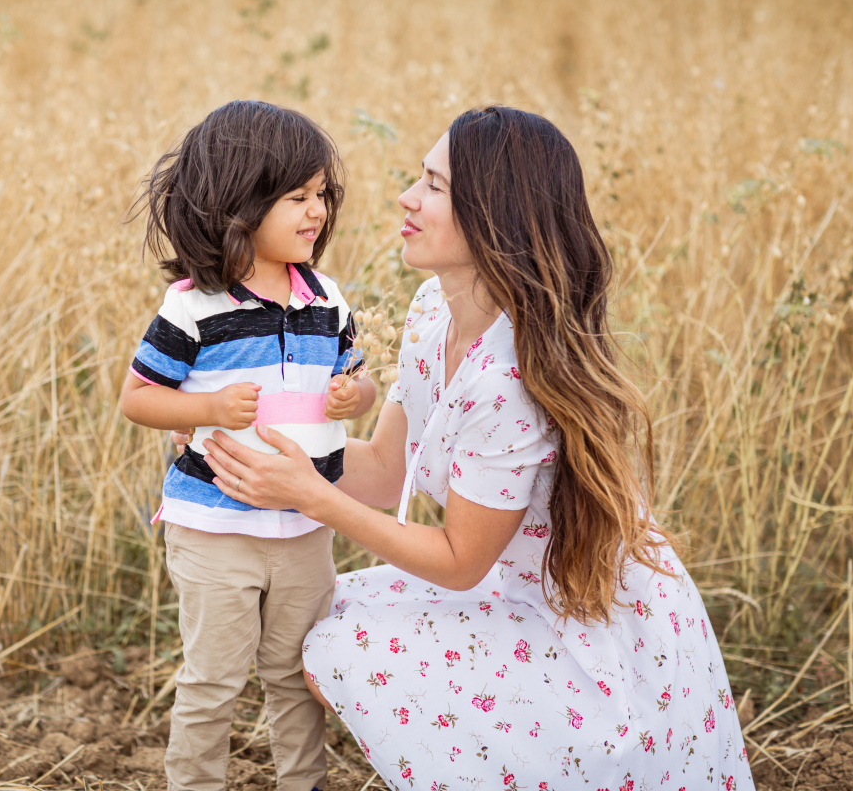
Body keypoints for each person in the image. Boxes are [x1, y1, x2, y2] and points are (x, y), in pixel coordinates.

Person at [187, 107, 755, 790]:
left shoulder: (508, 375)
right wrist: (234, 439)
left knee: (343, 648)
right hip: (504, 589)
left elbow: (458, 562)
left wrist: (309, 496)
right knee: (322, 615)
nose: (406, 197)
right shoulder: (434, 310)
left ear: (494, 215)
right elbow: (379, 469)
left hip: (581, 626)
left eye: (433, 184)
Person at [121, 100, 377, 791]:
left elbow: (359, 380)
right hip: (216, 528)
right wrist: (205, 406)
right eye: (296, 196)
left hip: (306, 526)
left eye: (321, 194)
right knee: (214, 678)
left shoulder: (329, 298)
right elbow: (138, 397)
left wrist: (358, 395)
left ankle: (304, 781)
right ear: (238, 203)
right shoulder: (194, 305)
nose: (316, 210)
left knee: (299, 674)